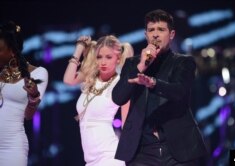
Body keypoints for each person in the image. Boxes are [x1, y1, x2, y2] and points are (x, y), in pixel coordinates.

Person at [112, 9, 207, 166]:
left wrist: (153, 83)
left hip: (178, 149)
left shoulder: (183, 62)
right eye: (151, 30)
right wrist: (141, 65)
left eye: (161, 29)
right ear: (146, 35)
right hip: (141, 150)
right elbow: (118, 97)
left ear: (171, 34)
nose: (155, 34)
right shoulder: (132, 64)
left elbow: (179, 92)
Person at [63, 35, 133, 166]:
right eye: (99, 57)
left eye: (108, 57)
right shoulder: (90, 77)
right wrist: (79, 48)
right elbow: (68, 79)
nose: (103, 62)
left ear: (118, 59)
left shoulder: (121, 84)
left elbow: (127, 124)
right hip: (90, 159)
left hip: (109, 156)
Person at [0, 21, 48, 166]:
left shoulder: (38, 73)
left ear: (13, 51)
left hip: (12, 148)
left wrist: (33, 97)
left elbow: (28, 116)